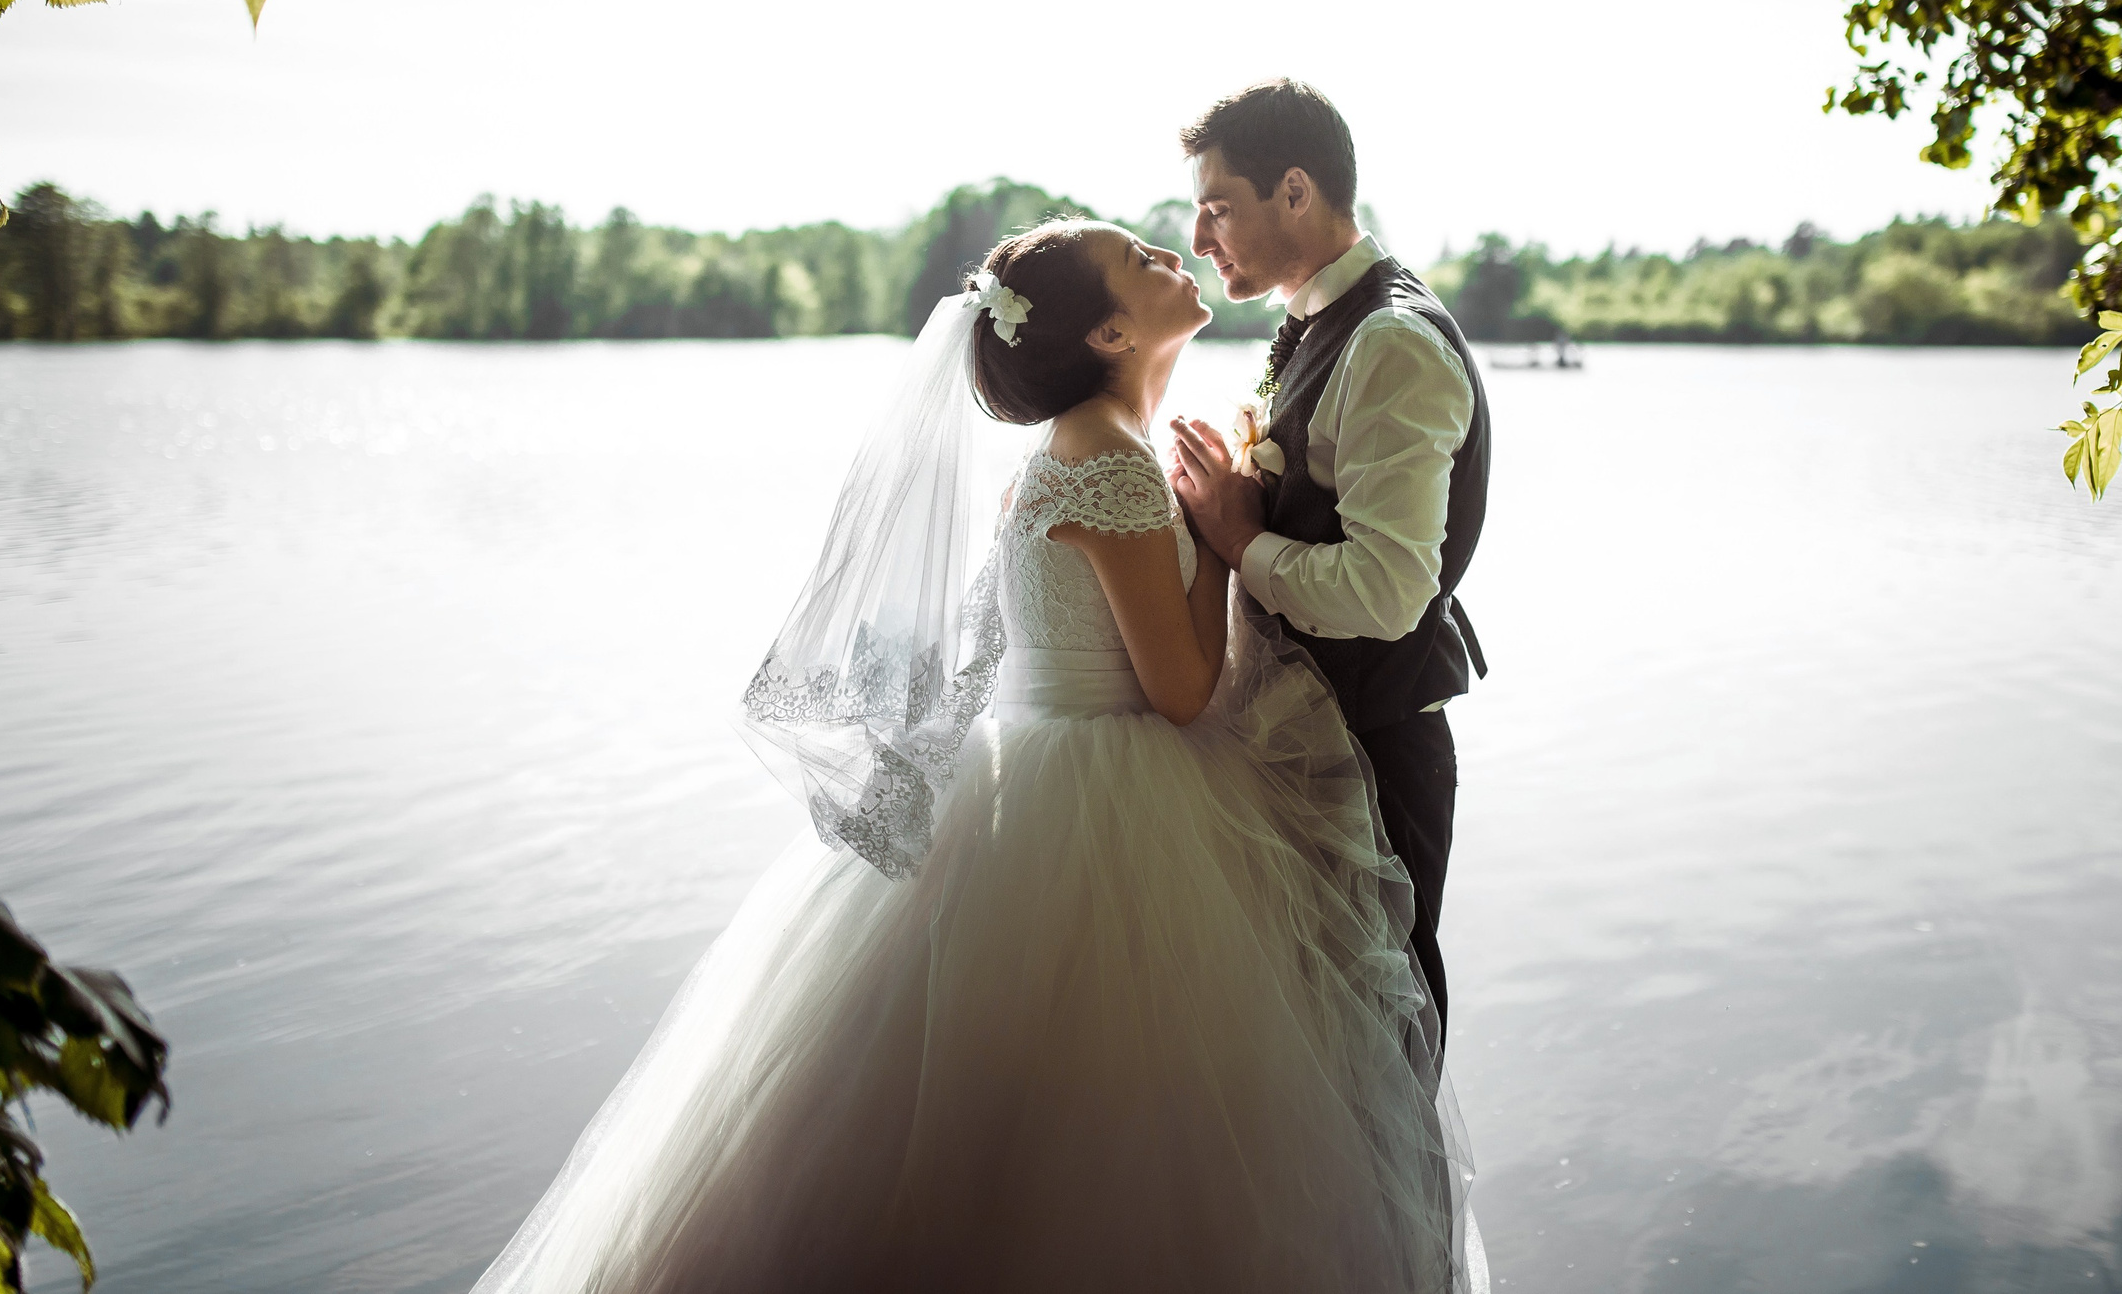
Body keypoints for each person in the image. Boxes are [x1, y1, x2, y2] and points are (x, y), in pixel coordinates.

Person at [471, 217, 1484, 1293]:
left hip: (1041, 780)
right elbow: (1184, 692)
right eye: (1140, 262)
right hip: (1118, 800)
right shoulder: (1113, 463)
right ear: (1106, 330)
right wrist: (1226, 537)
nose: (1172, 257)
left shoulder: (1080, 447)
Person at [1169, 78, 1490, 1037]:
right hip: (1312, 741)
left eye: (1219, 208)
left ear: (1296, 192)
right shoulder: (1319, 321)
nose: (1199, 238)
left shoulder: (1392, 342)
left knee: (1377, 1029)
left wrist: (1239, 538)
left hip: (1376, 752)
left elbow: (1388, 591)